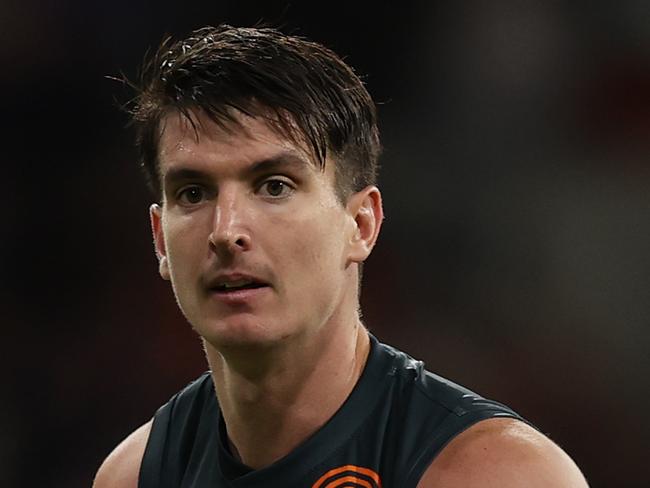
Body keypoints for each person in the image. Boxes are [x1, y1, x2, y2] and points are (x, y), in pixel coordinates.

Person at [93, 24, 588, 488]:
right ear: (159, 238)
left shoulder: (496, 474)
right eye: (194, 193)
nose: (226, 232)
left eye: (273, 186)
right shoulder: (133, 477)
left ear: (361, 225)